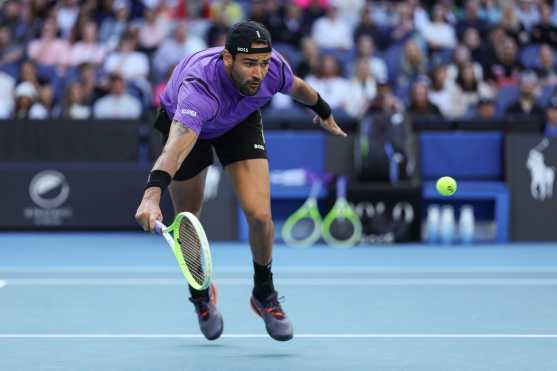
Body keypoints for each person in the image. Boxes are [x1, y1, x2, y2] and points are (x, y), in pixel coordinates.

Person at [134, 21, 346, 342]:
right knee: (188, 224)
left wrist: (324, 111)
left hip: (238, 120)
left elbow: (299, 86)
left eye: (263, 63)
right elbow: (174, 150)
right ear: (227, 59)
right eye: (249, 64)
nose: (259, 73)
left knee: (260, 216)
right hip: (190, 123)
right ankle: (201, 295)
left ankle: (264, 293)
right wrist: (151, 197)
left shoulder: (272, 68)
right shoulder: (199, 88)